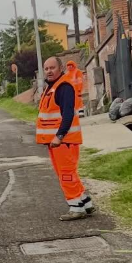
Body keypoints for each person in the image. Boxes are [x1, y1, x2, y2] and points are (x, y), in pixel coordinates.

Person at [36, 56, 94, 221]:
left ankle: (76, 208)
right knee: (69, 173)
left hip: (63, 141)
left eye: (52, 67)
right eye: (46, 68)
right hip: (58, 142)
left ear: (60, 68)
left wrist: (59, 136)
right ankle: (85, 203)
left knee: (66, 174)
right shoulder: (52, 87)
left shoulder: (64, 87)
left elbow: (68, 114)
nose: (49, 71)